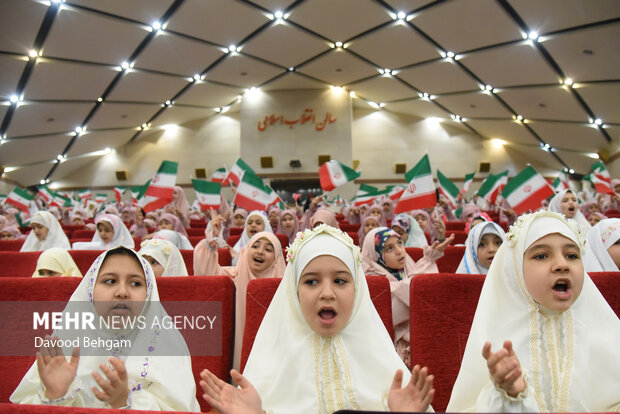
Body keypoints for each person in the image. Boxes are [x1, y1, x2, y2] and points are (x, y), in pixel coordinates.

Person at [199, 224, 435, 413]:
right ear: (294, 291)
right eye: (311, 281)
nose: (327, 293)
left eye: (340, 281)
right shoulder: (269, 364)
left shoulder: (387, 369)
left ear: (358, 290)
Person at [446, 211, 620, 411]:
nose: (562, 265)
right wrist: (509, 395)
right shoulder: (497, 342)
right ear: (516, 268)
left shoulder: (606, 332)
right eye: (541, 256)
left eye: (572, 255)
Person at [11, 247, 201, 411]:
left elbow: (179, 408)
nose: (121, 292)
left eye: (135, 283)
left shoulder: (167, 346)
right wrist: (56, 395)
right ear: (91, 289)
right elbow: (25, 405)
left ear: (149, 293)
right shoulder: (66, 342)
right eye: (110, 281)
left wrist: (125, 400)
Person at [194, 217, 286, 371]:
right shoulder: (232, 277)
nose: (260, 252)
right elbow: (205, 273)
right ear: (246, 250)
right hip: (235, 353)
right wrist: (210, 243)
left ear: (276, 259)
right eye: (255, 246)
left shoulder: (282, 285)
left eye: (269, 249)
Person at [362, 227, 453, 364]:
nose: (399, 251)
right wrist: (427, 262)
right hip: (387, 351)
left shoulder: (407, 269)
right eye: (389, 248)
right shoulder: (371, 281)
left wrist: (428, 261)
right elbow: (406, 296)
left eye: (400, 243)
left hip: (419, 339)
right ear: (376, 255)